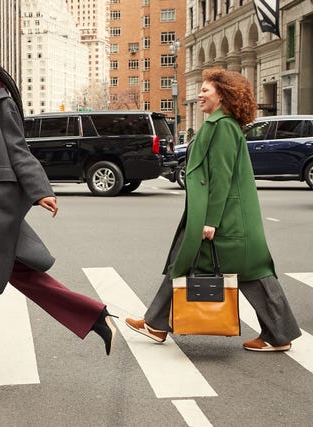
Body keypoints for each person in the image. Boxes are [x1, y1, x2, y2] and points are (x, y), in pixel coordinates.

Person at [0, 48, 116, 393]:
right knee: (24, 275)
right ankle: (92, 315)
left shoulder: (0, 104)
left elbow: (18, 150)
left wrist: (41, 190)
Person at [125, 68, 301, 352]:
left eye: (206, 90)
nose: (200, 94)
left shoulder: (222, 127)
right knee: (185, 262)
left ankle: (278, 335)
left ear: (222, 95)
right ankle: (156, 324)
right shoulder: (220, 125)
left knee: (252, 271)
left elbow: (221, 177)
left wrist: (210, 221)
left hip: (225, 219)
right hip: (222, 217)